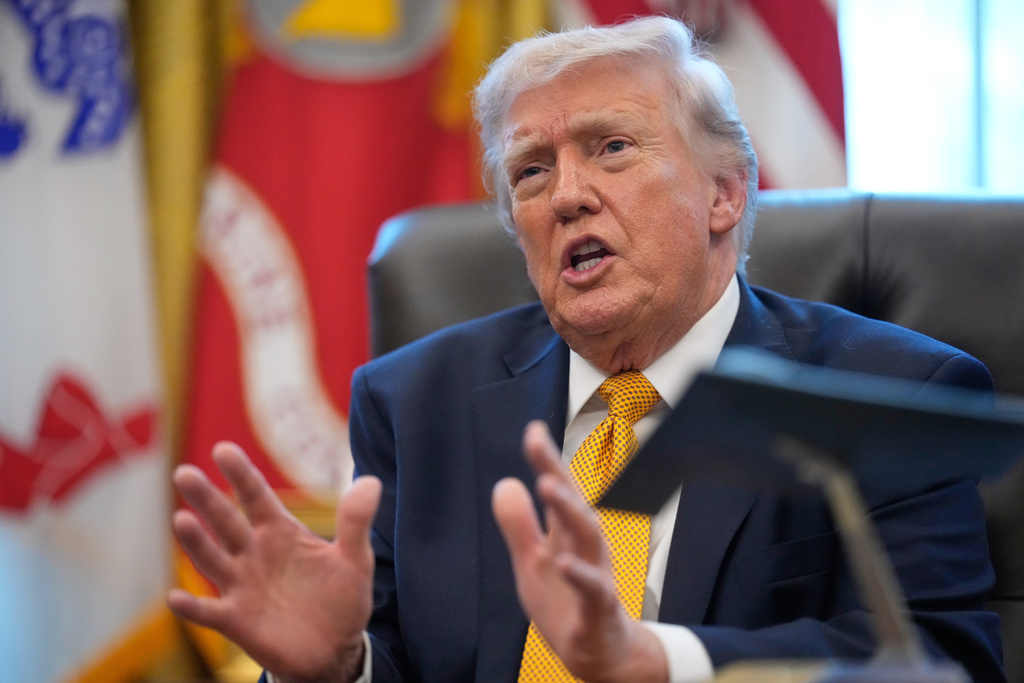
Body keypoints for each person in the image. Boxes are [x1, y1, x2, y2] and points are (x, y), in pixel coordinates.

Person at [168, 16, 1005, 683]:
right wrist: (337, 669)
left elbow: (941, 664)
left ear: (724, 193)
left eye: (611, 148)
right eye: (530, 172)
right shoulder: (413, 401)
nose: (567, 195)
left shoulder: (885, 392)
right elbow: (395, 662)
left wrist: (659, 664)